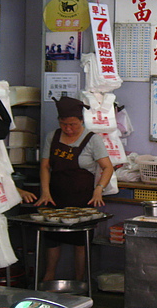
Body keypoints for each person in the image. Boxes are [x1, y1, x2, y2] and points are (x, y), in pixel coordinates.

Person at [36, 96, 113, 282]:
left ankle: (80, 281)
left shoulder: (92, 139)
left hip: (83, 198)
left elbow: (107, 167)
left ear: (81, 121)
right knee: (52, 239)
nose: (68, 129)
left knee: (81, 242)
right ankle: (49, 277)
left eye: (73, 125)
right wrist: (45, 191)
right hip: (55, 196)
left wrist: (98, 189)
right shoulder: (52, 137)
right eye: (64, 124)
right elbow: (45, 166)